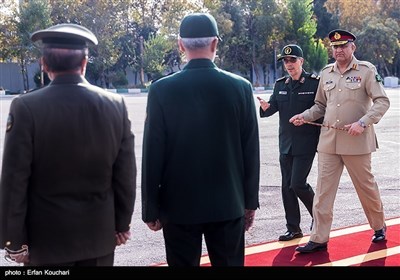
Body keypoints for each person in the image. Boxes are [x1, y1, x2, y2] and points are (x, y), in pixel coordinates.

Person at [0, 23, 137, 266]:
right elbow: (125, 174)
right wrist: (121, 225)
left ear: (44, 64)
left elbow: (14, 181)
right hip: (99, 239)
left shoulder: (26, 107)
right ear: (84, 63)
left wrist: (15, 241)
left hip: (46, 243)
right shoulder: (116, 104)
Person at [141, 13, 260, 266]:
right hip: (228, 204)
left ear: (180, 45)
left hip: (178, 207)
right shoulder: (240, 87)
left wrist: (150, 208)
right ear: (215, 44)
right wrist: (249, 201)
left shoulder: (162, 89)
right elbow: (250, 151)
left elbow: (153, 152)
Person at [289, 29, 390, 253]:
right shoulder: (326, 73)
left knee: (366, 188)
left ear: (353, 47)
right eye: (335, 47)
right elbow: (320, 106)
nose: (339, 50)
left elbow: (382, 102)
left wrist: (362, 122)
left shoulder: (366, 70)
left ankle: (379, 225)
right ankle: (319, 238)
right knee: (323, 191)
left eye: (343, 46)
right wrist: (304, 117)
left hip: (357, 142)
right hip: (329, 143)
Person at [257, 44, 321, 241]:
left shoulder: (313, 84)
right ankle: (293, 228)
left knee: (298, 183)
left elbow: (321, 109)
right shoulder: (280, 84)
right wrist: (266, 107)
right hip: (285, 144)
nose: (289, 64)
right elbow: (272, 108)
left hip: (306, 143)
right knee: (286, 187)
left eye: (292, 60)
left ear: (301, 61)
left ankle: (319, 218)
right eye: (285, 61)